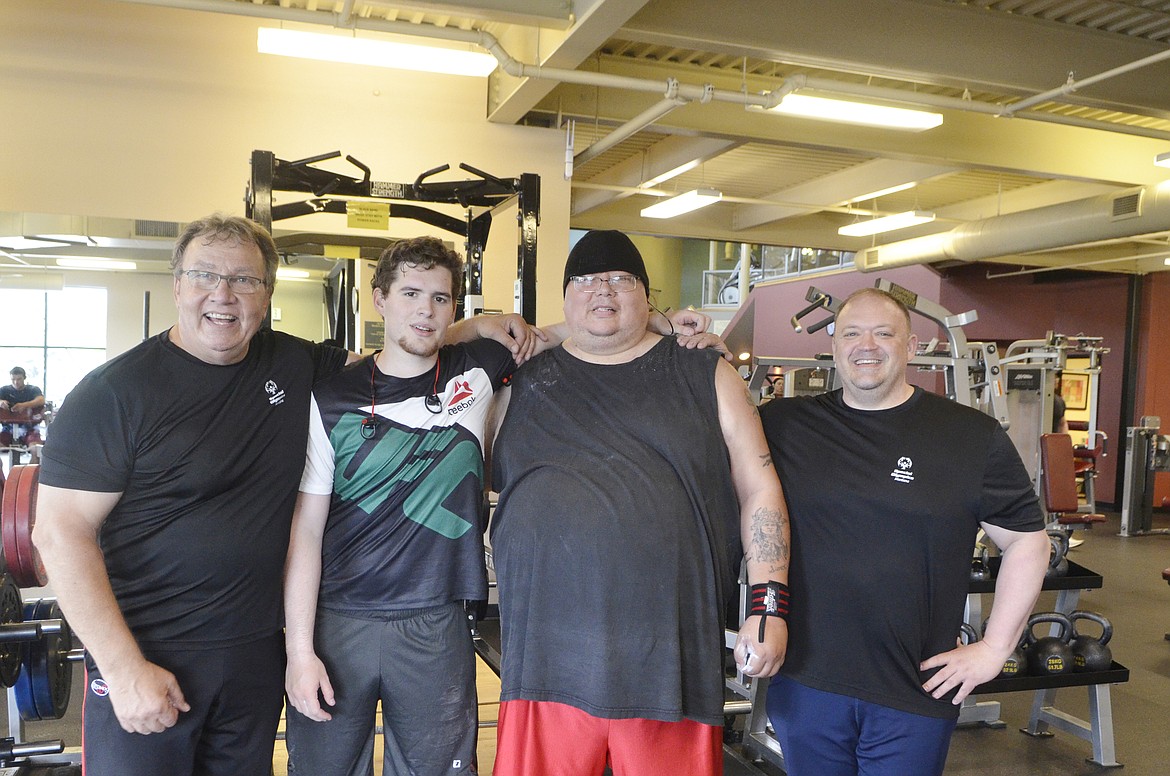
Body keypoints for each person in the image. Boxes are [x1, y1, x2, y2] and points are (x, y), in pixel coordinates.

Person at [283, 234, 718, 776]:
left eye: (440, 298)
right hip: (341, 619)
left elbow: (570, 330)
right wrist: (300, 651)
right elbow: (305, 533)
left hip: (435, 619)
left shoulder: (478, 370)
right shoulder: (331, 398)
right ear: (380, 297)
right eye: (411, 294)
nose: (425, 311)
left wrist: (663, 323)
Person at [488, 229, 790, 776]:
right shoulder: (517, 383)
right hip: (545, 657)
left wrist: (768, 606)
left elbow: (760, 488)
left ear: (646, 295)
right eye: (587, 280)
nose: (603, 290)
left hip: (668, 659)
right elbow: (424, 350)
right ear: (565, 296)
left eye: (621, 280)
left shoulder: (706, 372)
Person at [757, 288, 1050, 776]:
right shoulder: (784, 425)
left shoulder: (969, 436)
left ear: (912, 347)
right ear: (834, 346)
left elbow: (1027, 541)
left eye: (883, 333)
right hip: (808, 682)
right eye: (852, 333)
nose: (866, 345)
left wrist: (996, 648)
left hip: (914, 688)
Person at [0, 366, 46, 446]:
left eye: (19, 379)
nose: (16, 382)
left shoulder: (32, 390)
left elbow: (41, 400)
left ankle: (34, 458)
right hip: (8, 428)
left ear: (24, 378)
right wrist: (1, 402)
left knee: (35, 447)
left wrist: (24, 405)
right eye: (13, 379)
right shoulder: (4, 390)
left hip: (29, 428)